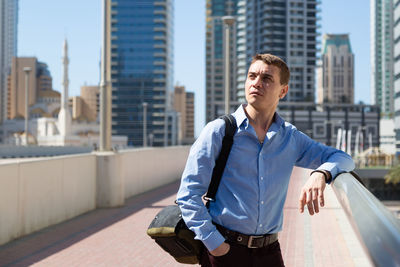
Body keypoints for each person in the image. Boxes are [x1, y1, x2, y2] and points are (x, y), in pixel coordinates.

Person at [176, 53, 355, 267]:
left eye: (267, 79)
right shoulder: (220, 131)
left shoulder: (290, 138)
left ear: (283, 91)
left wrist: (321, 173)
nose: (256, 83)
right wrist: (215, 245)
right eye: (252, 76)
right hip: (225, 251)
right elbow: (188, 195)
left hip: (270, 253)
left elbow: (343, 158)